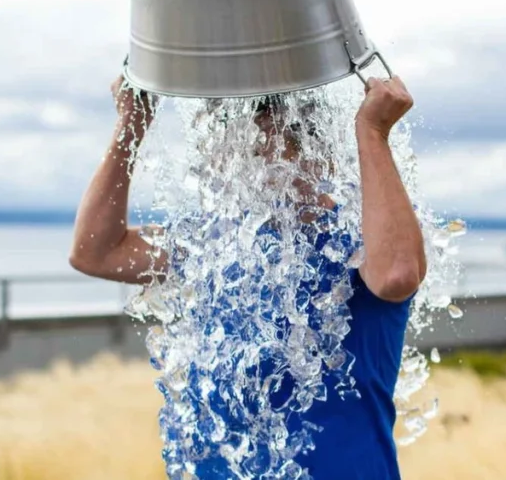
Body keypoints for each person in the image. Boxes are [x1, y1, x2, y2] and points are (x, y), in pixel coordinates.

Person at [69, 71, 427, 479]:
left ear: (322, 150)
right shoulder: (219, 244)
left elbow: (398, 274)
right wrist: (131, 126)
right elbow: (96, 251)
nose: (255, 169)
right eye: (245, 151)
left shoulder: (357, 243)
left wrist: (373, 131)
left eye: (273, 148)